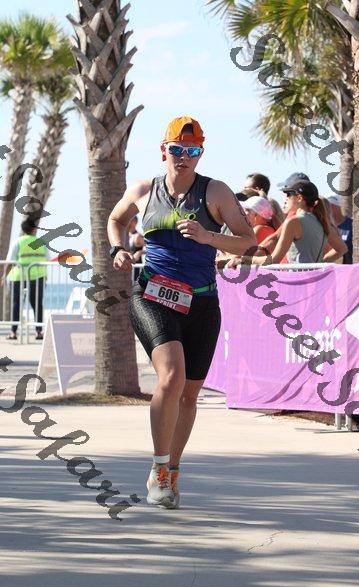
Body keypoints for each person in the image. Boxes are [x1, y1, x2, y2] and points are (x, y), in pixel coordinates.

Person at [107, 116, 256, 509]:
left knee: (189, 395)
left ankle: (171, 470)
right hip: (152, 296)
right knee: (171, 378)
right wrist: (118, 248)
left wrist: (208, 237)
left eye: (192, 151)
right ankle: (158, 468)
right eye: (176, 149)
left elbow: (248, 241)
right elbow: (116, 219)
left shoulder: (216, 192)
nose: (183, 157)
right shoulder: (144, 190)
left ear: (200, 154)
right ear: (164, 151)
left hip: (202, 302)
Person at [229, 180, 347, 267]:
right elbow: (341, 249)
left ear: (299, 198)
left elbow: (274, 259)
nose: (286, 198)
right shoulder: (322, 221)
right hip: (316, 282)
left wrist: (244, 260)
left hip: (298, 282)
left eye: (289, 195)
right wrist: (319, 264)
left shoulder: (293, 222)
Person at [0, 219, 49, 340]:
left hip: (19, 277)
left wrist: (4, 277)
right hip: (37, 277)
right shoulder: (41, 242)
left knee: (16, 304)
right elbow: (48, 260)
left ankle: (13, 332)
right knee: (37, 304)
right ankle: (39, 332)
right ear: (34, 229)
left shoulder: (18, 242)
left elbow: (10, 261)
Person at [327, 195, 353, 264]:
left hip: (348, 266)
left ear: (339, 207)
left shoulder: (351, 224)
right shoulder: (326, 225)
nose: (328, 209)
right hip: (330, 267)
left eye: (331, 205)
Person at [127, 215, 145, 281]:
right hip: (126, 269)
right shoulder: (125, 236)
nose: (128, 223)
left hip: (136, 268)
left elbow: (150, 249)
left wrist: (139, 252)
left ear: (135, 222)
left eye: (130, 221)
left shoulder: (138, 236)